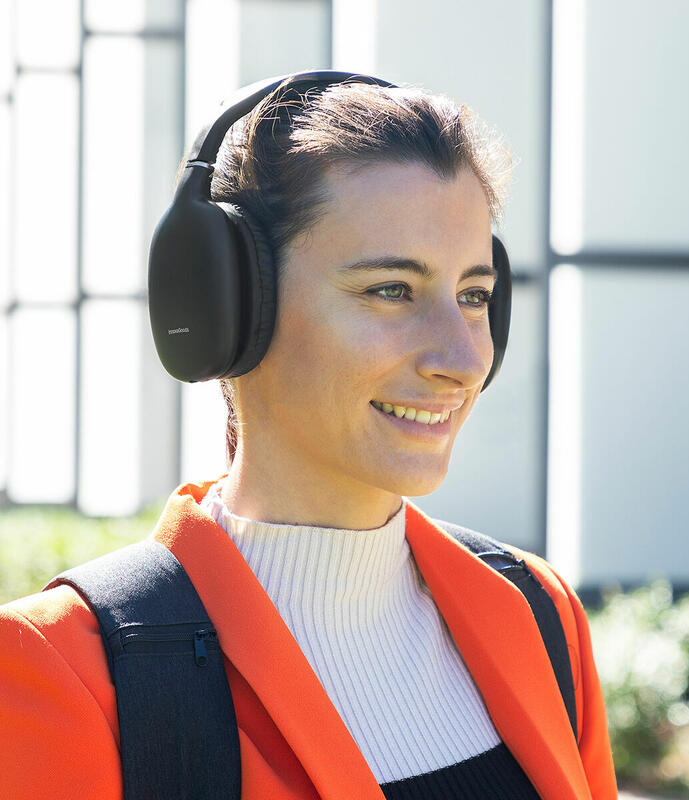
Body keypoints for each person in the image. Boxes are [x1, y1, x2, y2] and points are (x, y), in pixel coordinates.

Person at [0, 71, 617, 799]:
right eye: (391, 290)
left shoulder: (539, 611)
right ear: (227, 304)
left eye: (474, 296)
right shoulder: (67, 670)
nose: (462, 360)